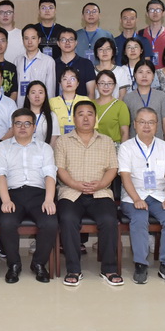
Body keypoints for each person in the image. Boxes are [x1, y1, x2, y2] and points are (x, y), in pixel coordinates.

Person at [55, 100, 121, 286]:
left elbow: (112, 168)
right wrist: (75, 184)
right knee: (68, 219)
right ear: (74, 118)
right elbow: (60, 169)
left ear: (95, 118)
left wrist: (101, 184)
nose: (85, 118)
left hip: (100, 193)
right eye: (81, 114)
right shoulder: (63, 141)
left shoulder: (106, 141)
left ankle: (109, 269)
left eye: (89, 114)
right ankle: (73, 269)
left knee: (109, 220)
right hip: (71, 192)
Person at [118, 107, 165, 285]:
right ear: (135, 124)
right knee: (139, 217)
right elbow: (125, 177)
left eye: (151, 122)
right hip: (133, 195)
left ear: (157, 125)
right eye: (142, 122)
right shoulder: (126, 147)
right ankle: (140, 264)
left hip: (159, 195)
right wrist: (137, 199)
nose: (146, 126)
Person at [0, 108, 58, 283]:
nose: (22, 127)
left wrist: (49, 200)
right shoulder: (3, 147)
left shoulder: (44, 148)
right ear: (12, 126)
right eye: (18, 123)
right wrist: (5, 200)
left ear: (34, 127)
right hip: (12, 194)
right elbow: (0, 175)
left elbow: (50, 175)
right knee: (7, 222)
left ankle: (38, 263)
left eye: (27, 123)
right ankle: (14, 264)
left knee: (50, 222)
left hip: (39, 194)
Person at [123, 60, 165, 143]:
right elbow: (125, 127)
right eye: (140, 72)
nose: (144, 76)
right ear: (135, 75)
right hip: (135, 145)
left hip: (158, 144)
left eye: (148, 72)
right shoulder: (128, 98)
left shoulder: (161, 96)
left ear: (153, 76)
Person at [14, 24, 56, 108]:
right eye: (26, 38)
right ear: (22, 40)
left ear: (39, 40)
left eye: (33, 38)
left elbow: (50, 89)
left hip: (40, 108)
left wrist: (48, 110)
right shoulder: (17, 60)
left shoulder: (48, 61)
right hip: (21, 107)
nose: (29, 42)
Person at [137, 0, 165, 69]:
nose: (155, 12)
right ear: (147, 14)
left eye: (158, 10)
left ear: (163, 13)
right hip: (145, 73)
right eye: (151, 10)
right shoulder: (139, 34)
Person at [54, 27, 96, 97]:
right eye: (63, 40)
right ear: (58, 43)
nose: (67, 43)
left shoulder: (86, 64)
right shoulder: (53, 64)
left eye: (71, 39)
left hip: (81, 103)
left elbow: (91, 93)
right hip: (58, 103)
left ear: (76, 42)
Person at [49, 67, 91, 135]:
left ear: (78, 83)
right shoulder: (52, 102)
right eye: (65, 79)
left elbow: (92, 125)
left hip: (81, 139)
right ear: (60, 83)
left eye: (72, 79)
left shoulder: (85, 100)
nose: (68, 82)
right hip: (58, 139)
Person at [94, 70, 130, 145]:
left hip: (113, 147)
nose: (106, 86)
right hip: (92, 147)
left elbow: (124, 132)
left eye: (110, 83)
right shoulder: (90, 105)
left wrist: (122, 150)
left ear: (114, 86)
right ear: (96, 85)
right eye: (102, 83)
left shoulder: (120, 106)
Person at [23, 81, 60, 147]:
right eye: (33, 92)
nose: (37, 96)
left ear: (45, 95)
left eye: (40, 93)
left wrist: (46, 152)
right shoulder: (21, 115)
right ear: (28, 96)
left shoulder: (52, 116)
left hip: (45, 152)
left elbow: (53, 140)